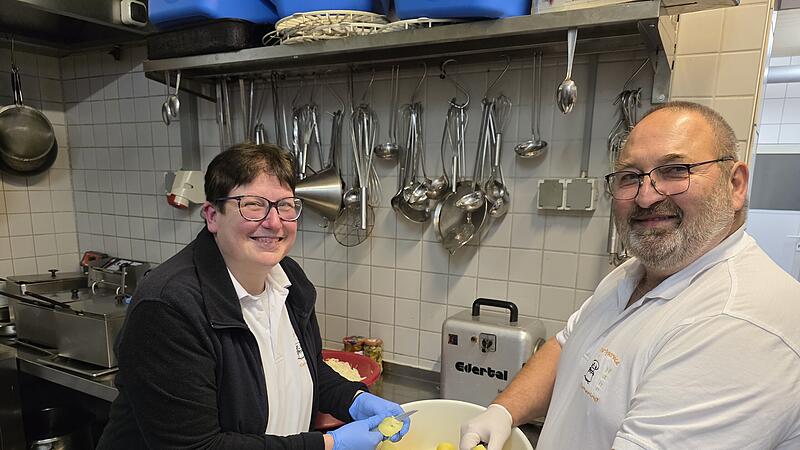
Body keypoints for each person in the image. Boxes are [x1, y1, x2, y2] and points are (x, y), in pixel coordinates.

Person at [460, 101, 800, 450]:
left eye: (675, 170)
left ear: (736, 185)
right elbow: (567, 347)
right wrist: (503, 410)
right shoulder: (636, 271)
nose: (646, 195)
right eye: (630, 177)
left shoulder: (737, 325)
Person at [98, 143, 409, 449]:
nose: (273, 222)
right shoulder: (169, 307)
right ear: (212, 216)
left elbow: (306, 369)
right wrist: (328, 444)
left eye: (285, 205)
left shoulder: (290, 282)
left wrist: (353, 399)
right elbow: (197, 446)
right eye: (253, 204)